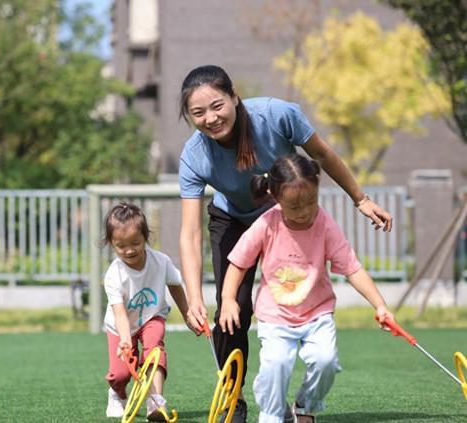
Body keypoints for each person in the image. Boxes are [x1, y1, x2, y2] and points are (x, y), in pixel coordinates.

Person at [177, 64, 393, 422]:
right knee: (233, 310)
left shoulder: (278, 115)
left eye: (217, 105)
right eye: (197, 113)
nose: (210, 118)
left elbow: (323, 155)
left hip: (286, 216)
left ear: (234, 97)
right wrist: (196, 297)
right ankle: (234, 399)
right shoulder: (194, 154)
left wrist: (361, 199)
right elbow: (189, 232)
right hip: (231, 220)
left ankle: (303, 401)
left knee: (303, 293)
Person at [219, 153, 395, 423]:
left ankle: (305, 407)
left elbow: (352, 268)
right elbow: (238, 263)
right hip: (275, 316)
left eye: (311, 202)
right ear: (276, 198)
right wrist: (229, 298)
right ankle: (272, 411)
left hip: (317, 313)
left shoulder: (325, 224)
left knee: (326, 361)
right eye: (294, 206)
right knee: (276, 366)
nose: (304, 212)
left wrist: (380, 305)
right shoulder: (266, 224)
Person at [102, 201, 190, 421]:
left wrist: (188, 314)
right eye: (121, 245)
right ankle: (117, 393)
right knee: (121, 373)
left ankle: (156, 402)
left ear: (145, 238)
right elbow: (120, 314)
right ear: (112, 244)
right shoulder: (114, 274)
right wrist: (124, 340)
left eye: (135, 242)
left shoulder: (161, 261)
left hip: (152, 316)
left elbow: (175, 285)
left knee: (154, 350)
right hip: (120, 326)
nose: (129, 250)